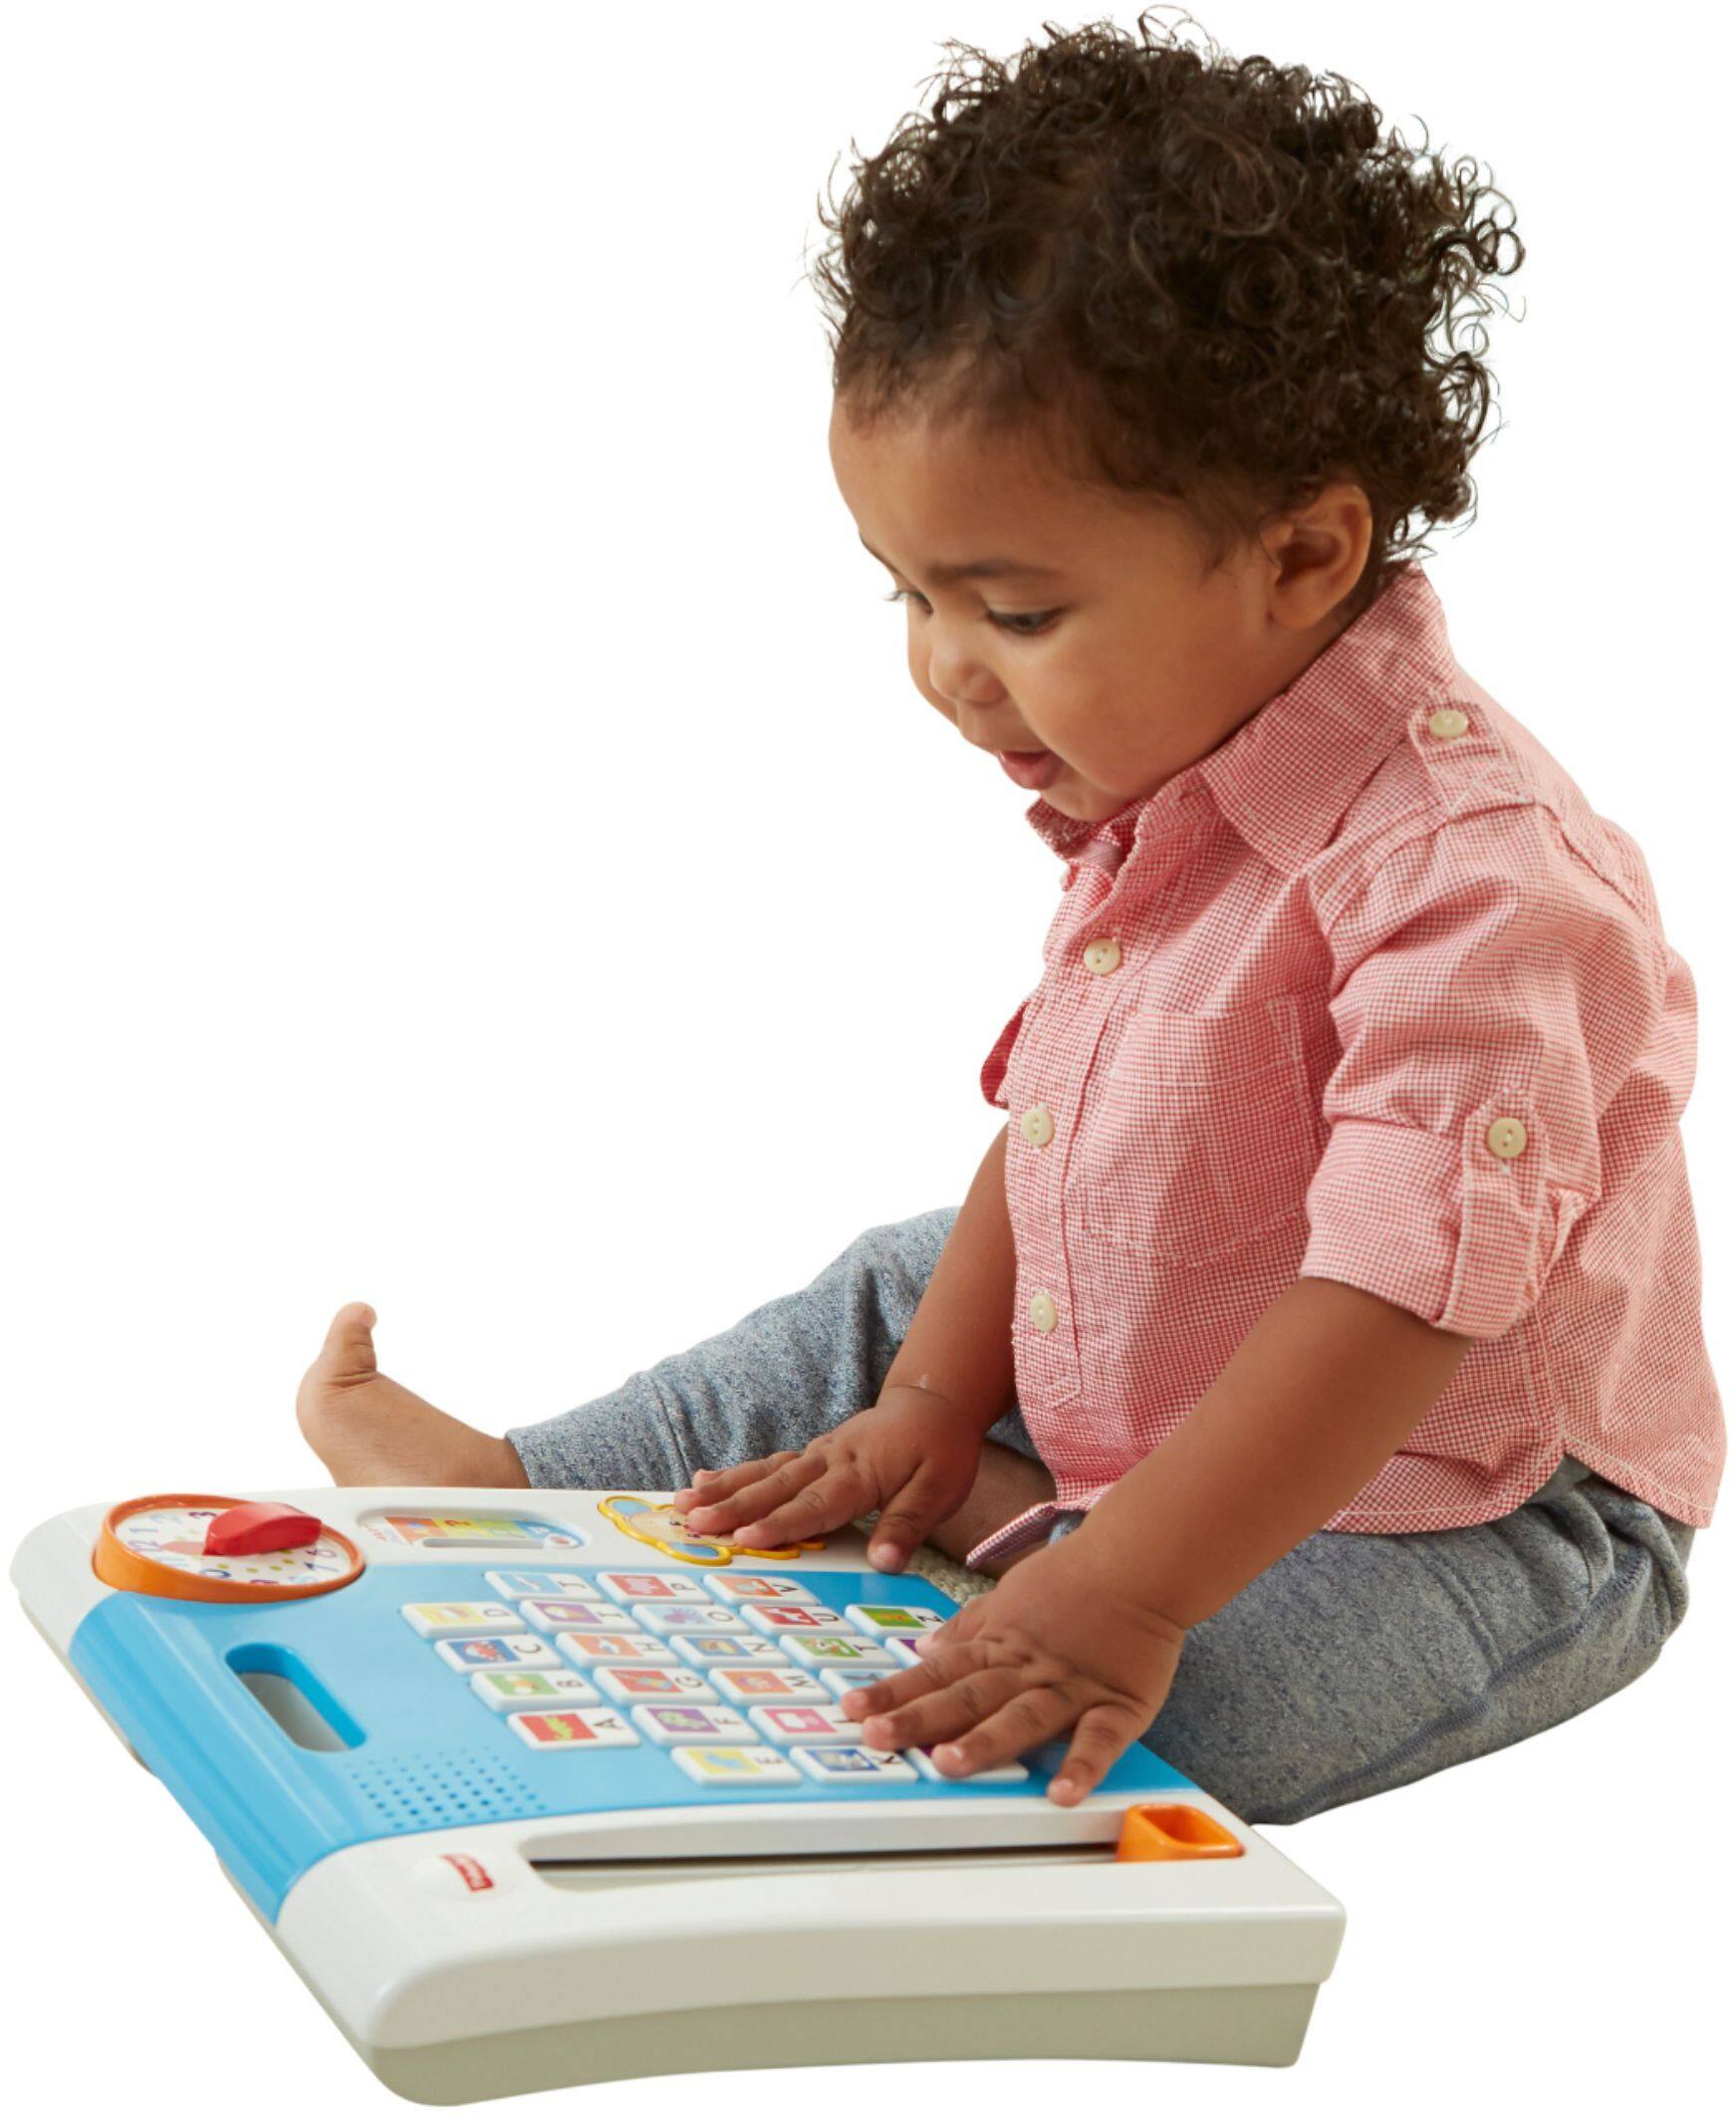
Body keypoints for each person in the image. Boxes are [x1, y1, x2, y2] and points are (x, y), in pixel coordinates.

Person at [296, 11, 1721, 1824]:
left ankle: (1057, 1543)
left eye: (1017, 614)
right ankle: (528, 1486)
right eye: (908, 596)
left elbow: (1392, 1303)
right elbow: (1054, 1128)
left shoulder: (1485, 885)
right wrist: (924, 1400)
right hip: (1184, 1348)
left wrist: (1126, 1591)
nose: (947, 672)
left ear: (1303, 555)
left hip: (1473, 1498)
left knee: (1136, 1723)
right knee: (895, 1288)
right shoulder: (1187, 750)